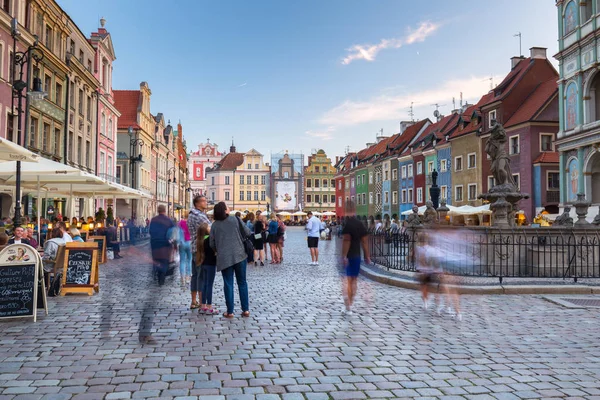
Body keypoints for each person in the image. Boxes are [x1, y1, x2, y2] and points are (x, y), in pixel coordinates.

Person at [210, 202, 250, 318]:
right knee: (242, 282)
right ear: (225, 210)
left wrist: (219, 248)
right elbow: (247, 232)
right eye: (227, 207)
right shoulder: (235, 219)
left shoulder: (215, 225)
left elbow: (212, 243)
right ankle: (246, 310)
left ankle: (230, 311)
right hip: (240, 255)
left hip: (224, 258)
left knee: (228, 284)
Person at [340, 201, 370, 314]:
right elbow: (365, 241)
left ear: (346, 209)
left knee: (348, 281)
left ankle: (348, 307)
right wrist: (367, 256)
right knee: (354, 281)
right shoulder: (359, 223)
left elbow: (346, 241)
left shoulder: (348, 224)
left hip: (349, 255)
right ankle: (350, 304)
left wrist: (344, 256)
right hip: (357, 255)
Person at [187, 195, 211, 309]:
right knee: (201, 276)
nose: (206, 202)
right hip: (201, 249)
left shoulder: (191, 215)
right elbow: (210, 230)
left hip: (193, 248)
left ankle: (193, 301)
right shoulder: (199, 216)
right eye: (203, 201)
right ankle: (202, 302)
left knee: (195, 276)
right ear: (197, 204)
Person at [149, 205, 175, 286]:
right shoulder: (168, 220)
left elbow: (150, 231)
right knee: (164, 260)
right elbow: (172, 232)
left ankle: (157, 272)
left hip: (155, 243)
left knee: (156, 259)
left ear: (158, 210)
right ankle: (161, 277)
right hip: (165, 243)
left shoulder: (153, 220)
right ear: (165, 210)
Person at [196, 223, 218, 315]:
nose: (210, 228)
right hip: (211, 264)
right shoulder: (209, 240)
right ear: (206, 230)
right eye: (208, 227)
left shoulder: (201, 240)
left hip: (203, 264)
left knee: (204, 285)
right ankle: (209, 306)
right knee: (209, 285)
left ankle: (203, 306)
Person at [178, 212, 192, 286]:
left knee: (182, 261)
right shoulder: (191, 223)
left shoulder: (180, 223)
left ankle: (182, 277)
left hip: (182, 243)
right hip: (190, 243)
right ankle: (188, 277)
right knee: (189, 261)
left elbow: (178, 233)